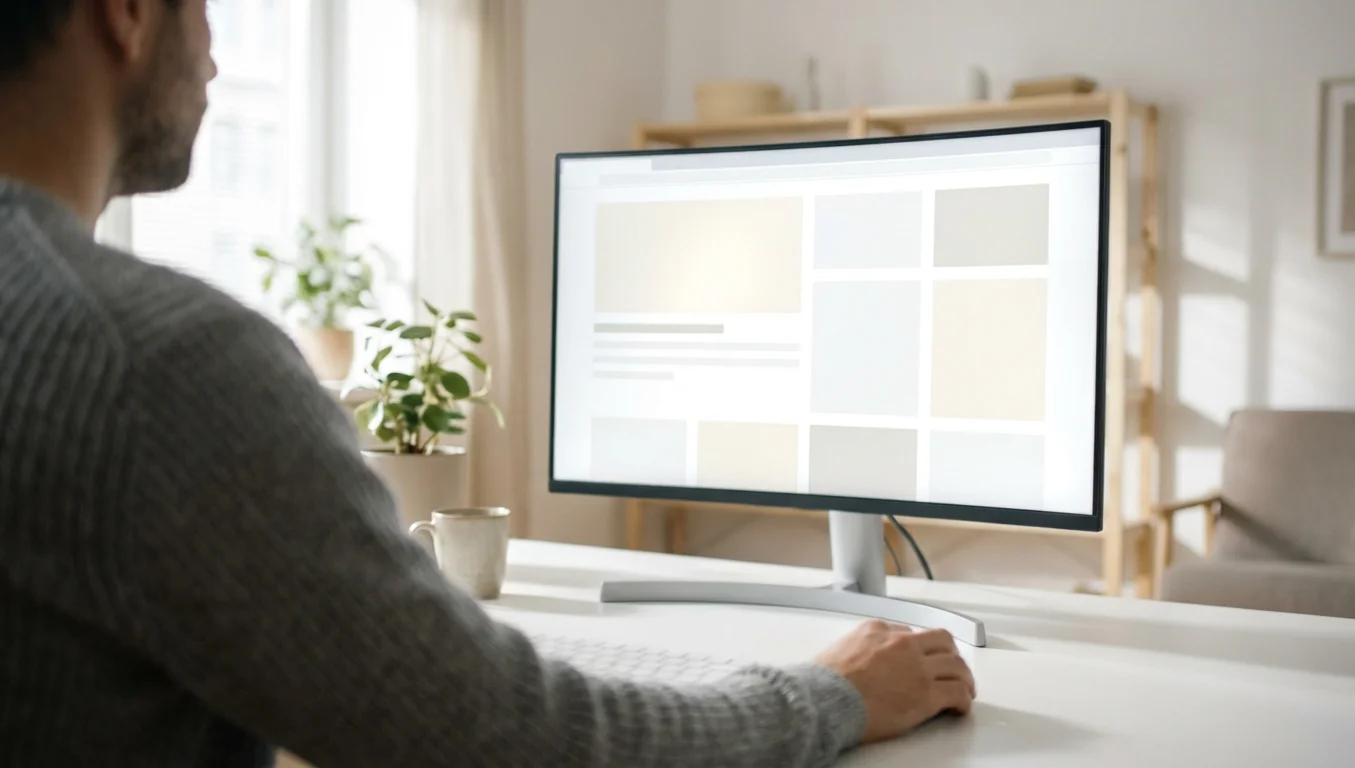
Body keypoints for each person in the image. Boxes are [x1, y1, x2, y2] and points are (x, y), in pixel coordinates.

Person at [0, 1, 976, 766]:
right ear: (124, 11)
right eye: (202, 7)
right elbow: (512, 743)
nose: (214, 55)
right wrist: (833, 696)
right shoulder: (159, 369)